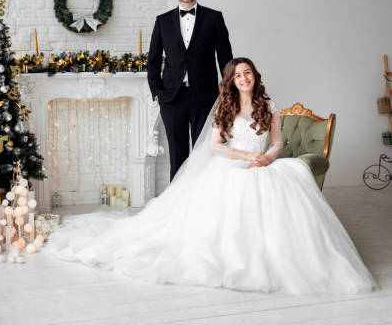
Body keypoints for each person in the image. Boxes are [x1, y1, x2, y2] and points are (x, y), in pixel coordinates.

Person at [48, 58, 377, 295]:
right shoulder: (225, 108)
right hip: (232, 164)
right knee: (234, 186)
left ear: (255, 76)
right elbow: (218, 147)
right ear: (231, 80)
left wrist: (266, 157)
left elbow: (277, 142)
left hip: (264, 163)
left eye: (248, 73)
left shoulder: (270, 105)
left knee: (288, 182)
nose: (244, 78)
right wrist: (248, 155)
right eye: (238, 75)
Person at [148, 0, 233, 181]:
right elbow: (153, 60)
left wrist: (227, 93)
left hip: (205, 97)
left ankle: (202, 203)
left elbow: (226, 59)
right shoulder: (162, 21)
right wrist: (157, 91)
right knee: (177, 155)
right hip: (171, 98)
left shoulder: (214, 18)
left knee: (204, 154)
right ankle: (177, 207)